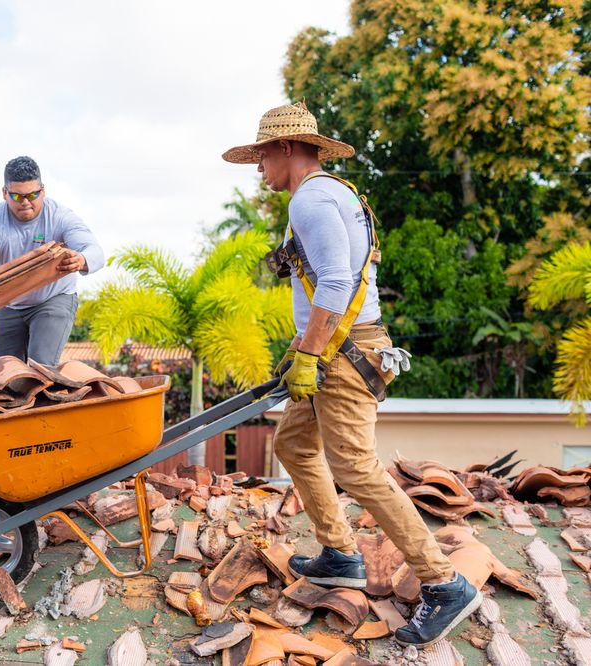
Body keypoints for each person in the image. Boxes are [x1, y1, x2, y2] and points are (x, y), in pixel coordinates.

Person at [222, 102, 481, 648]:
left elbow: (338, 282)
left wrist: (312, 353)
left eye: (262, 156)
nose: (259, 168)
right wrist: (303, 346)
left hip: (343, 351)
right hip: (332, 344)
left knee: (357, 468)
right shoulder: (335, 193)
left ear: (286, 148)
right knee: (294, 445)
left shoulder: (311, 199)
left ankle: (444, 583)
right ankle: (340, 554)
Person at [0, 156, 104, 365]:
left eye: (32, 195)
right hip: (9, 302)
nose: (25, 202)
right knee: (2, 372)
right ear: (4, 193)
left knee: (39, 368)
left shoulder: (61, 217)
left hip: (53, 298)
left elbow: (95, 251)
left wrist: (82, 259)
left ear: (43, 190)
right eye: (17, 196)